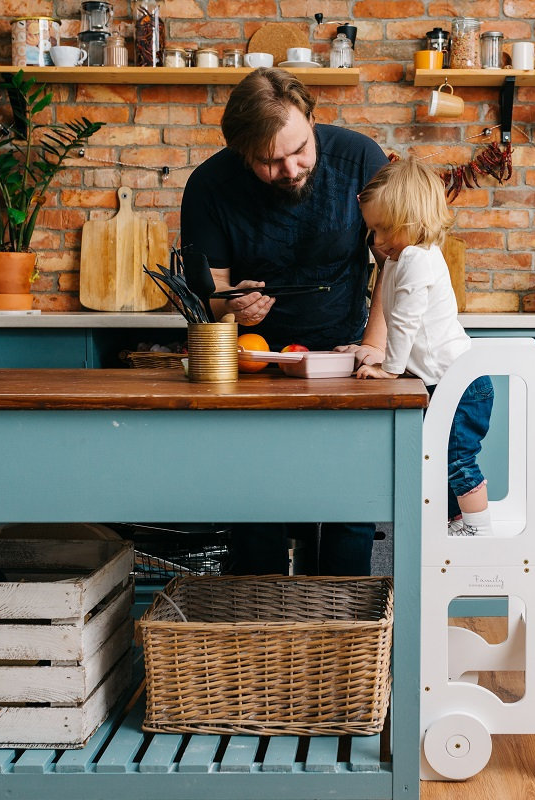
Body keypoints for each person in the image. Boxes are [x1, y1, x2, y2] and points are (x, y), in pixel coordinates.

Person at [178, 67, 389, 575]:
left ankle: (341, 634)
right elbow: (210, 297)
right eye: (270, 162)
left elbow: (396, 261)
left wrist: (373, 346)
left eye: (299, 150)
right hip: (255, 366)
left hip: (346, 360)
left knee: (351, 510)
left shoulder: (362, 159)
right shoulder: (209, 185)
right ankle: (263, 634)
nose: (292, 168)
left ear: (311, 120)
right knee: (255, 510)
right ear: (241, 153)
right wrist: (232, 306)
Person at [351, 158, 495, 537]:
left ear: (412, 222)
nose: (376, 241)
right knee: (440, 458)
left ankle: (477, 530)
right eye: (373, 230)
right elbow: (406, 327)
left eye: (384, 230)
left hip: (460, 384)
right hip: (444, 380)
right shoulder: (402, 259)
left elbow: (405, 322)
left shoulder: (416, 259)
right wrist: (384, 356)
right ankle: (455, 521)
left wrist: (390, 370)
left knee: (458, 459)